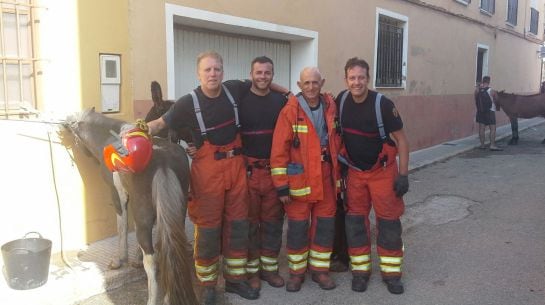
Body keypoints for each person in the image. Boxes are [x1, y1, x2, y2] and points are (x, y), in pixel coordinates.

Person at [146, 51, 258, 304]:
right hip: (208, 172)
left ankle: (235, 279)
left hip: (237, 167)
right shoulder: (188, 102)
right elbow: (160, 123)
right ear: (199, 73)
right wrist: (136, 130)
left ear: (223, 72)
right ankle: (207, 285)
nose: (213, 74)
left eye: (217, 69)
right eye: (207, 70)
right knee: (207, 229)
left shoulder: (234, 90)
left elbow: (261, 81)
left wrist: (286, 93)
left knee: (238, 225)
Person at [336, 57, 409, 294]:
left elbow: (402, 141)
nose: (357, 82)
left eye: (361, 77)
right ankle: (360, 271)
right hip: (356, 174)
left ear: (368, 79)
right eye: (352, 78)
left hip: (383, 173)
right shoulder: (342, 100)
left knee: (388, 224)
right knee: (355, 223)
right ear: (346, 79)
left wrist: (404, 175)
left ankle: (392, 274)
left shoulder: (383, 105)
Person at [270, 67, 341, 292]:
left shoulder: (331, 106)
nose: (311, 87)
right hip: (299, 182)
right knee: (298, 229)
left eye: (315, 83)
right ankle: (296, 273)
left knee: (324, 226)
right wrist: (281, 186)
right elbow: (278, 151)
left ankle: (320, 271)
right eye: (306, 83)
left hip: (326, 178)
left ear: (322, 83)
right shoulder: (289, 111)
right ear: (299, 86)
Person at [239, 56, 288, 290]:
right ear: (251, 74)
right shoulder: (240, 98)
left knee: (273, 223)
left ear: (272, 75)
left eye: (267, 73)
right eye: (258, 72)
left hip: (273, 172)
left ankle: (270, 270)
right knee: (249, 224)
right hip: (247, 173)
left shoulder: (280, 101)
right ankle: (252, 273)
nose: (262, 77)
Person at [475, 76, 502, 151]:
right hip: (490, 111)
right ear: (489, 82)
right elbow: (497, 101)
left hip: (481, 111)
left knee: (481, 129)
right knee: (492, 129)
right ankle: (492, 145)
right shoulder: (492, 91)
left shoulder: (477, 90)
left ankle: (482, 145)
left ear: (482, 81)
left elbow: (476, 100)